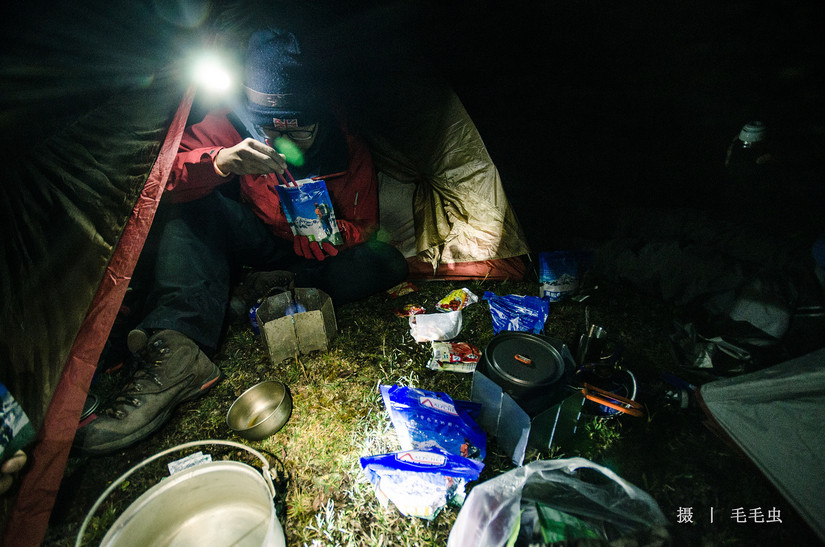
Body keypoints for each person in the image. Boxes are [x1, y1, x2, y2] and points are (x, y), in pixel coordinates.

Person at [74, 27, 408, 455]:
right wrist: (218, 164)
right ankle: (180, 348)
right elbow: (155, 183)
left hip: (314, 260)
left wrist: (341, 234)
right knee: (193, 209)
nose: (283, 141)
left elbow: (367, 224)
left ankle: (260, 296)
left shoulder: (348, 146)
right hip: (259, 244)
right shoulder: (228, 125)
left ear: (320, 115)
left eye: (299, 129)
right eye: (270, 127)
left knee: (387, 263)